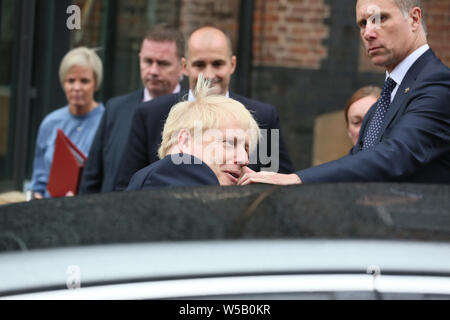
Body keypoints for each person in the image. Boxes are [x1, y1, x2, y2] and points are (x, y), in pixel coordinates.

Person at [238, 0, 450, 186]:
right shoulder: (383, 103)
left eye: (381, 18)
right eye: (363, 23)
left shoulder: (438, 84)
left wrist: (296, 179)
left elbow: (396, 156)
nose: (368, 33)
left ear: (414, 19)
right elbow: (356, 166)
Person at [114, 25, 294, 191]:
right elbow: (126, 186)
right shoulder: (151, 113)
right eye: (200, 65)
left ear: (232, 64)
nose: (209, 74)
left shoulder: (262, 116)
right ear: (184, 67)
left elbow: (279, 183)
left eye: (217, 64)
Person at [79, 25, 185, 194]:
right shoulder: (115, 109)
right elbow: (92, 177)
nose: (153, 71)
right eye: (148, 61)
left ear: (182, 66)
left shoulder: (192, 112)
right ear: (139, 58)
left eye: (163, 64)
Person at [126, 74, 260, 190]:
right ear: (184, 141)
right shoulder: (168, 176)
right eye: (230, 142)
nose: (244, 159)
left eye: (246, 149)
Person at [27, 47, 105, 199]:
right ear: (63, 83)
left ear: (96, 83)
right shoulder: (50, 123)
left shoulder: (107, 121)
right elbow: (39, 179)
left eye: (84, 81)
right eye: (71, 81)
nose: (76, 88)